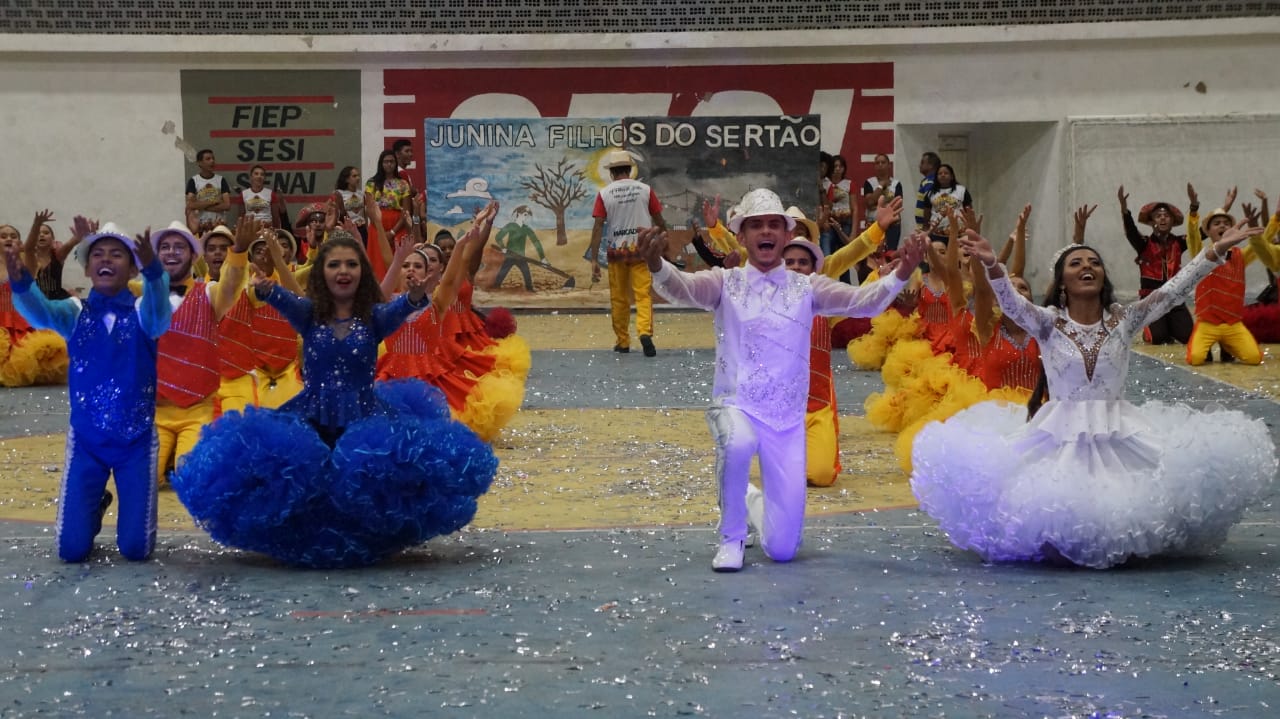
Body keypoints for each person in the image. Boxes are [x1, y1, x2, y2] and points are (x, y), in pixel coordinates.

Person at [910, 223, 1276, 568]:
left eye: (1094, 263)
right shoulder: (1047, 322)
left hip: (1120, 433)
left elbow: (1175, 290)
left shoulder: (1125, 319)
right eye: (1076, 263)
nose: (1087, 267)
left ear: (1103, 277)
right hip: (1057, 436)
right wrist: (992, 265)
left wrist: (1215, 251)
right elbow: (1010, 302)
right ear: (1063, 281)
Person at [641, 188, 926, 572]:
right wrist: (657, 265)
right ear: (741, 236)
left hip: (787, 421)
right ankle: (731, 537)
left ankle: (749, 500)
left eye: (774, 224)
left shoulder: (807, 287)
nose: (766, 231)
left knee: (783, 549)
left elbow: (863, 302)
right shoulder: (726, 283)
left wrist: (902, 274)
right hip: (735, 405)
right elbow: (684, 289)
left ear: (786, 234)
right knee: (739, 443)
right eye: (756, 224)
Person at [171, 233, 497, 568]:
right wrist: (264, 287)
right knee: (303, 479)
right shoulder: (309, 314)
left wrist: (416, 296)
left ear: (362, 272)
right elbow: (279, 296)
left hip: (366, 418)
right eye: (334, 264)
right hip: (310, 416)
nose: (344, 271)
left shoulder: (374, 317)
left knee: (364, 478)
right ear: (321, 273)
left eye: (352, 264)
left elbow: (404, 307)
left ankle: (366, 539)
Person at [8, 219, 172, 562]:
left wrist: (156, 274)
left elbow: (160, 317)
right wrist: (21, 281)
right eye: (98, 254)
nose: (106, 260)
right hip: (86, 442)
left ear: (131, 268)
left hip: (136, 443)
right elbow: (39, 314)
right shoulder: (74, 312)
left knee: (136, 550)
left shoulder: (145, 313)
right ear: (87, 269)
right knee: (71, 552)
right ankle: (94, 507)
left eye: (116, 254)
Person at [150, 220, 245, 486]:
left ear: (193, 256)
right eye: (165, 247)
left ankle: (180, 458)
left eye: (179, 247)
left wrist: (239, 253)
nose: (171, 252)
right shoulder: (145, 297)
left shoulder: (209, 293)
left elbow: (230, 287)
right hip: (156, 411)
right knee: (145, 481)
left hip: (197, 410)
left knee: (190, 479)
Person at [586, 149, 667, 356]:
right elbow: (659, 220)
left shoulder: (604, 194)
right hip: (641, 251)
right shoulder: (645, 190)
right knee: (642, 294)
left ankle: (622, 342)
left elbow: (597, 226)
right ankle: (644, 332)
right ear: (630, 170)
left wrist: (594, 258)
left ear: (612, 173)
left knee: (619, 298)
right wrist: (663, 241)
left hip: (616, 253)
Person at [1183, 184, 1262, 365]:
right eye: (1217, 224)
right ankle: (1212, 343)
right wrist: (1194, 210)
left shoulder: (1240, 256)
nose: (1222, 226)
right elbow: (1193, 237)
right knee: (1195, 359)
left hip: (1232, 323)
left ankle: (1227, 345)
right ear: (1209, 232)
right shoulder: (1202, 255)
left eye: (1226, 224)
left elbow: (1260, 247)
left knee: (1254, 358)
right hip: (1208, 323)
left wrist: (1271, 224)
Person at [1118, 185, 1192, 344]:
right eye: (1158, 216)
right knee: (1158, 338)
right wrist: (1125, 210)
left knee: (1187, 337)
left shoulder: (1179, 242)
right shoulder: (1143, 243)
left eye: (1166, 216)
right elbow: (1131, 231)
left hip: (1174, 299)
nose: (1163, 218)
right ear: (1152, 222)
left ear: (1173, 221)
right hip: (1151, 300)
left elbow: (1200, 234)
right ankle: (1150, 328)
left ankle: (1171, 324)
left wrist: (1194, 207)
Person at [21, 210, 80, 301]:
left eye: (46, 233)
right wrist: (36, 224)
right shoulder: (29, 257)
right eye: (38, 233)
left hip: (58, 302)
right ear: (32, 238)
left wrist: (80, 235)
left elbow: (70, 244)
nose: (41, 235)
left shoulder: (58, 255)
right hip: (36, 302)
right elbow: (28, 248)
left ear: (52, 239)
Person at [492, 205, 546, 291]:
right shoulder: (511, 226)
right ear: (518, 214)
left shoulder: (526, 229)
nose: (526, 217)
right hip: (510, 256)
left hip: (521, 257)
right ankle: (495, 288)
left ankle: (530, 290)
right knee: (501, 275)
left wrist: (542, 258)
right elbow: (498, 237)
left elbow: (536, 242)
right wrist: (503, 247)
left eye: (527, 215)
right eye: (525, 214)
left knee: (527, 275)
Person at [862, 153, 904, 250]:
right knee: (873, 252)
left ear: (889, 165)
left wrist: (876, 204)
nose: (880, 165)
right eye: (877, 163)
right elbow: (869, 203)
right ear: (874, 166)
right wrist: (881, 185)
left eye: (883, 162)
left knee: (890, 253)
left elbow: (898, 205)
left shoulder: (896, 184)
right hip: (874, 224)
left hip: (892, 225)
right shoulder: (869, 182)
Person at [925, 164, 973, 245]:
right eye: (940, 173)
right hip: (936, 232)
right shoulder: (930, 193)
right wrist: (926, 229)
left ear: (952, 176)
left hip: (959, 232)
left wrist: (970, 227)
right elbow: (926, 213)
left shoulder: (961, 190)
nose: (942, 175)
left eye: (946, 173)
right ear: (936, 177)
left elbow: (969, 210)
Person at [185, 149, 232, 230]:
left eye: (213, 158)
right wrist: (213, 202)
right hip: (200, 226)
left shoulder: (221, 180)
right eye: (208, 159)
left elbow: (227, 205)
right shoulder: (194, 181)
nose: (212, 161)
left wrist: (203, 206)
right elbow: (191, 204)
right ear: (200, 163)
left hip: (219, 224)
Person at [239, 165, 288, 229]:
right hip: (250, 229)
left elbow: (275, 217)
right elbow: (241, 217)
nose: (259, 176)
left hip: (267, 228)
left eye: (262, 174)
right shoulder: (243, 194)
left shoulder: (270, 193)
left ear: (264, 178)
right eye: (256, 174)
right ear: (251, 177)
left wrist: (276, 231)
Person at [914, 151, 940, 231]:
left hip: (927, 227)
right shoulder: (927, 181)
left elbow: (930, 202)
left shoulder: (930, 181)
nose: (919, 165)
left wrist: (926, 226)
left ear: (930, 165)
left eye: (922, 163)